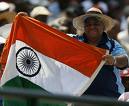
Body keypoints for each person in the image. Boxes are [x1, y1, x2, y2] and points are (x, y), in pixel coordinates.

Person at [71, 7, 129, 98]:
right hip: (79, 99)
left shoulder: (112, 44)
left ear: (103, 27)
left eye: (96, 24)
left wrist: (113, 60)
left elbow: (125, 61)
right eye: (88, 24)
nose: (92, 27)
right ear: (84, 27)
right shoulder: (74, 41)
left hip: (109, 99)